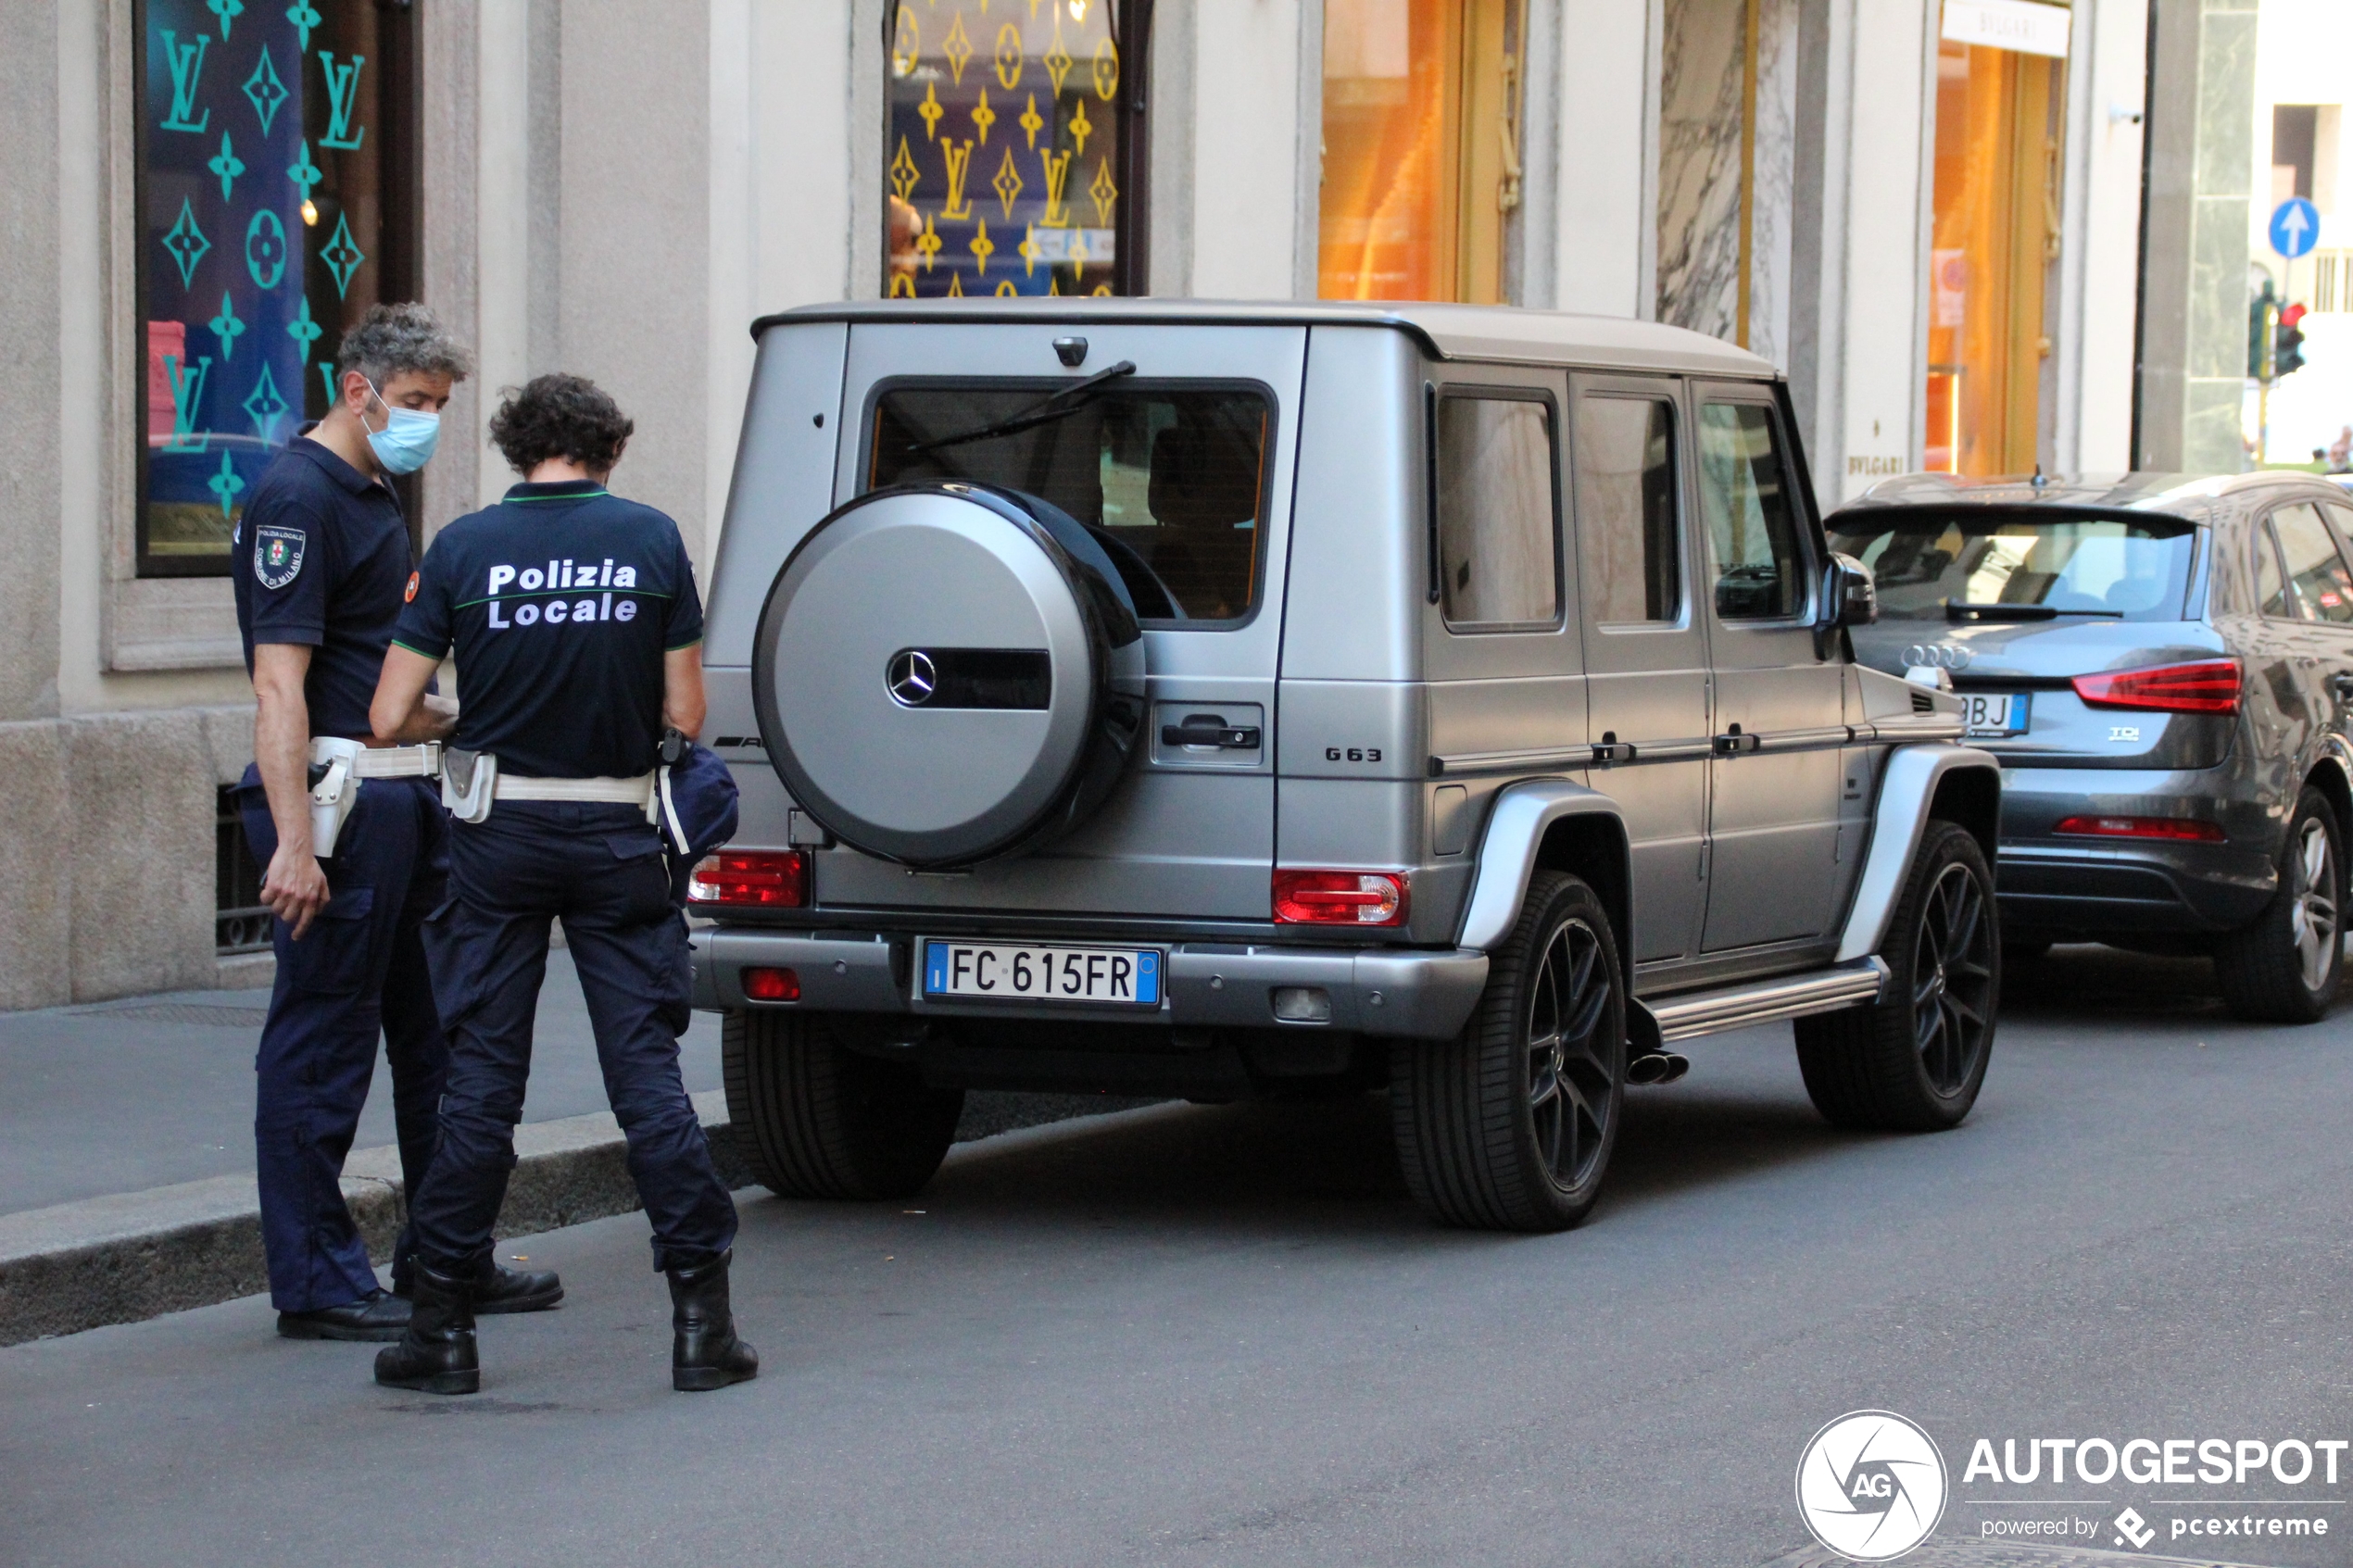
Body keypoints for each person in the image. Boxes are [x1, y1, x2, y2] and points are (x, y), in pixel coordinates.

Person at [369, 374, 753, 1396]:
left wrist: (472, 720)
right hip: (619, 833)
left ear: (512, 448)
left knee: (481, 1079)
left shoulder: (460, 548)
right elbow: (685, 711)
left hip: (499, 837)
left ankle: (442, 1328)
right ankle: (699, 1324)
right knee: (646, 1074)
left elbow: (389, 711)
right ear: (607, 450)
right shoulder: (650, 539)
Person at [233, 303, 561, 1341]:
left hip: (411, 794)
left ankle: (443, 1254)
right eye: (414, 402)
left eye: (437, 406)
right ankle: (319, 1280)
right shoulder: (296, 496)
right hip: (344, 801)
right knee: (324, 1046)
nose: (425, 422)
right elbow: (279, 688)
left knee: (438, 1040)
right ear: (357, 387)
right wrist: (293, 841)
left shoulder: (371, 491)